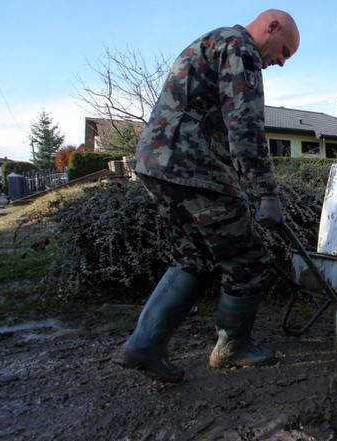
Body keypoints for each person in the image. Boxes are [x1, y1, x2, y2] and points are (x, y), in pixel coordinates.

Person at [114, 9, 300, 383]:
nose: (281, 62)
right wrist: (266, 193)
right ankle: (234, 349)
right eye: (285, 52)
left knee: (195, 255)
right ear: (272, 27)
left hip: (157, 163)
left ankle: (144, 344)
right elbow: (245, 127)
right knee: (247, 257)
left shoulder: (213, 42)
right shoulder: (240, 47)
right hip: (190, 164)